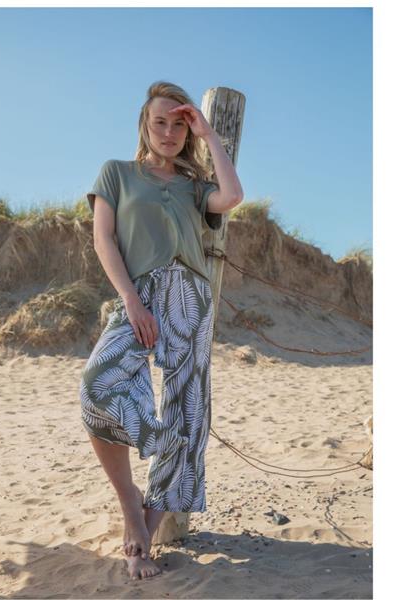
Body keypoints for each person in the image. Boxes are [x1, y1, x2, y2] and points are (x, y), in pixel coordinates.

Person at [79, 81, 243, 581]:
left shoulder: (195, 186)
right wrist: (131, 300)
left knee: (188, 412)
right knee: (97, 386)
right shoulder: (117, 174)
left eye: (178, 124)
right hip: (140, 293)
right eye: (160, 122)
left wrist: (208, 133)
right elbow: (104, 240)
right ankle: (130, 500)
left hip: (191, 297)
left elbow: (233, 196)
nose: (169, 132)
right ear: (144, 125)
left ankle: (143, 537)